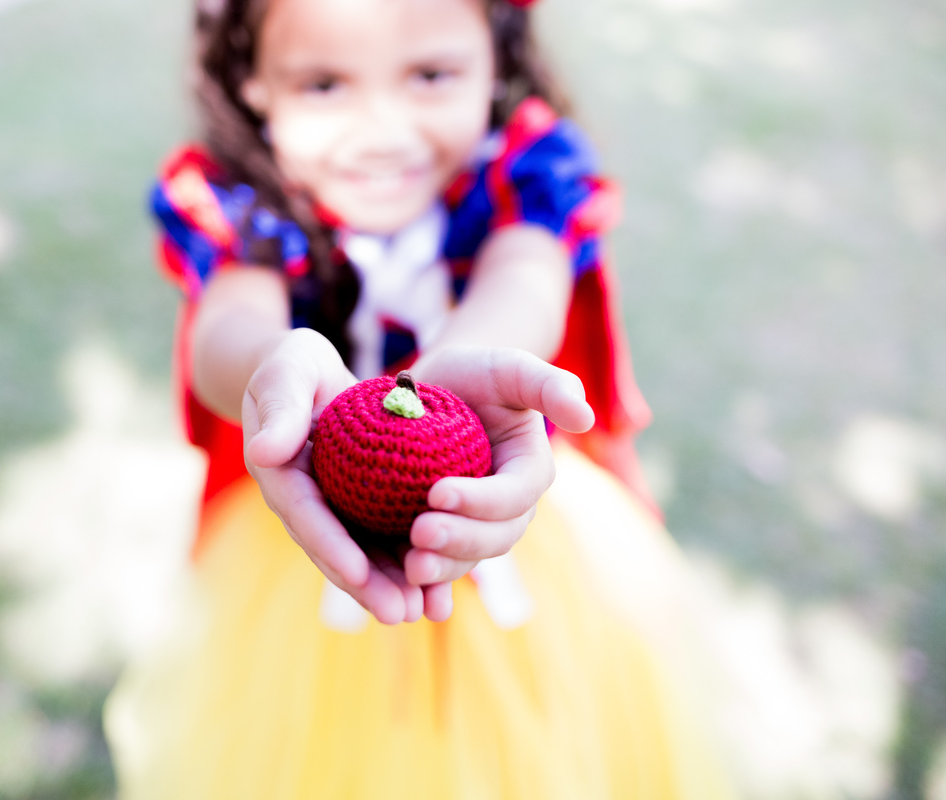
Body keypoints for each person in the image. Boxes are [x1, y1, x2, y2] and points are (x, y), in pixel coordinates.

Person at [105, 0, 735, 796]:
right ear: (253, 81)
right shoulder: (247, 200)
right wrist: (273, 364)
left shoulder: (522, 174)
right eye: (325, 84)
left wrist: (470, 361)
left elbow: (526, 277)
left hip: (517, 531)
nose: (381, 129)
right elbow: (226, 331)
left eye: (431, 75)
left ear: (496, 58)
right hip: (302, 557)